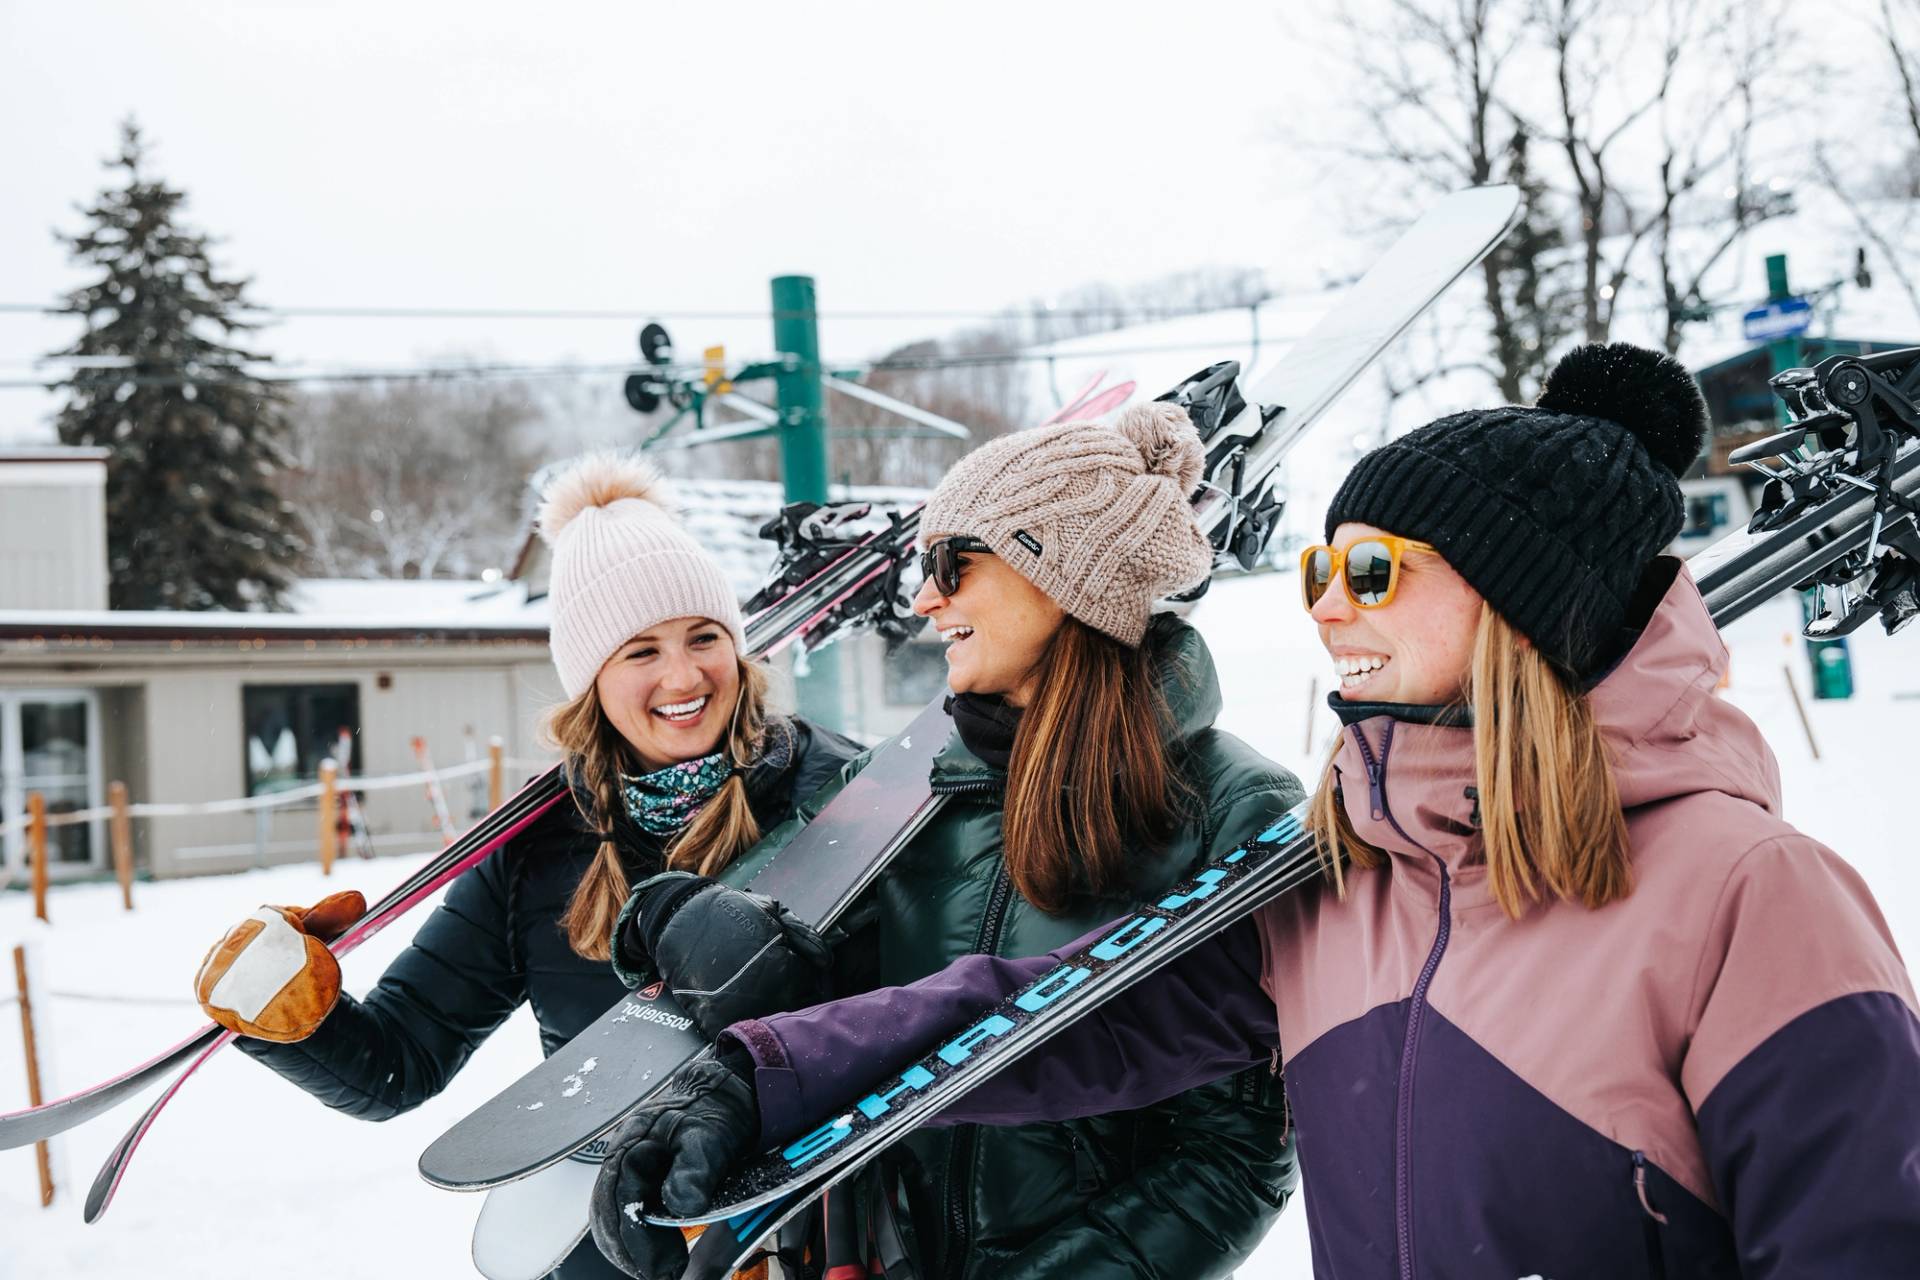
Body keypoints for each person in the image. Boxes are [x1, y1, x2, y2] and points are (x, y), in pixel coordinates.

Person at [589, 344, 1920, 1279]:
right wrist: (761, 1079)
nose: (1325, 603)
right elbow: (1051, 1013)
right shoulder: (1348, 885)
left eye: (1372, 569)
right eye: (1317, 568)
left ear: (1519, 599)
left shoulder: (1750, 899)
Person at [596, 403, 1305, 1280]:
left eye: (951, 564)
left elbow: (1235, 1161)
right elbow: (829, 980)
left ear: (1062, 577)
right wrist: (687, 921)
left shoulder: (1233, 810)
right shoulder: (909, 781)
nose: (924, 599)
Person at [191, 454, 862, 1280]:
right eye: (640, 651)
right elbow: (399, 1062)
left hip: (818, 1232)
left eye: (704, 638)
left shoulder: (843, 792)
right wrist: (295, 1018)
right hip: (614, 1245)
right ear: (590, 680)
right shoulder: (535, 850)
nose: (684, 676)